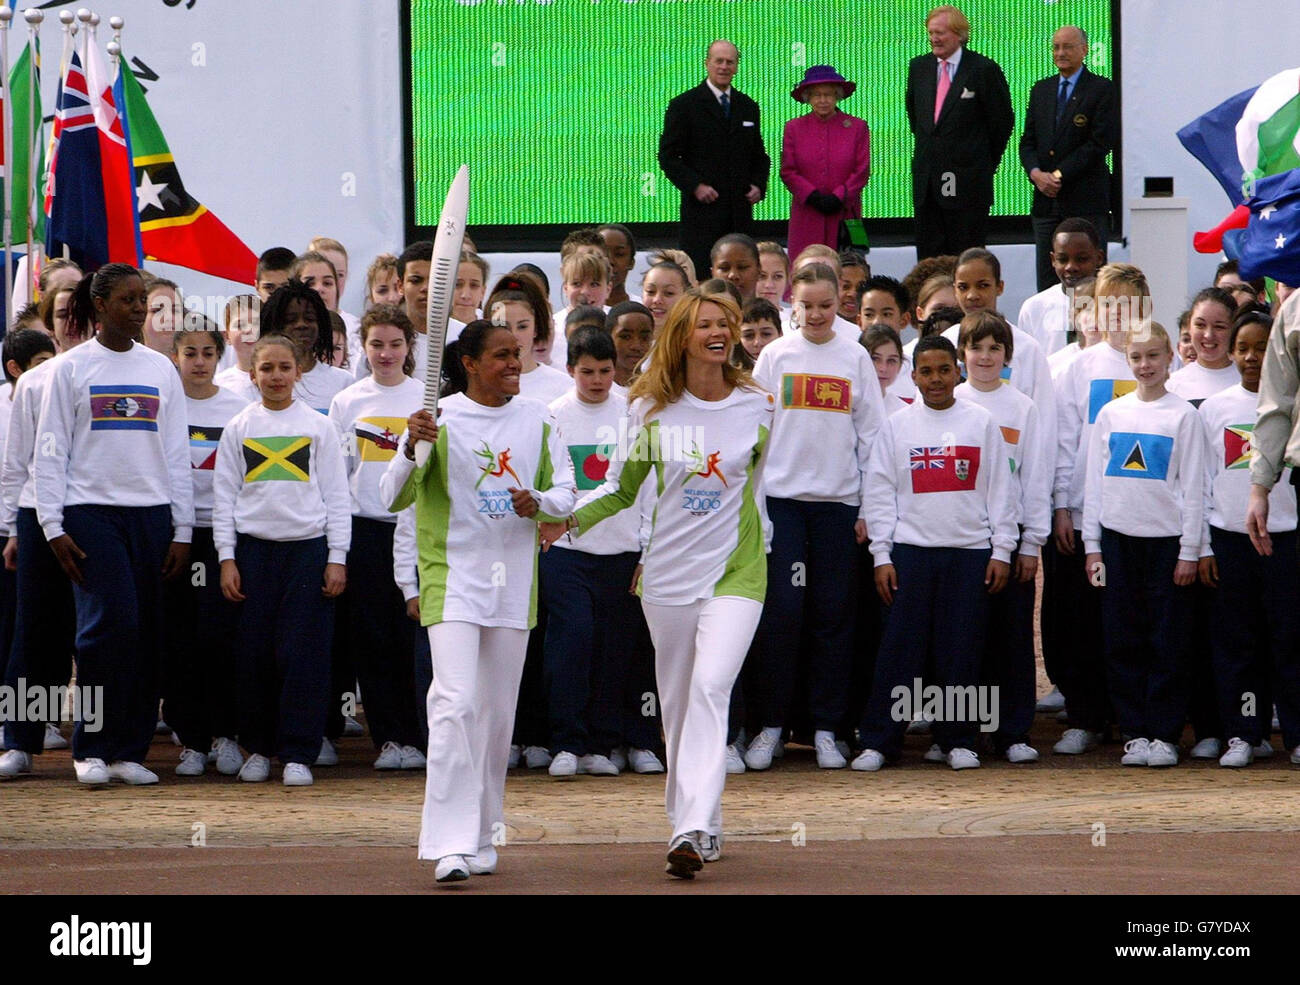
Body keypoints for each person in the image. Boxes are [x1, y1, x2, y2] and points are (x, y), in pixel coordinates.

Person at [540, 286, 774, 879]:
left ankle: (690, 827)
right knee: (677, 703)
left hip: (736, 572)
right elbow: (620, 489)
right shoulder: (649, 410)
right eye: (706, 324)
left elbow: (759, 489)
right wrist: (565, 519)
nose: (719, 332)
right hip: (667, 575)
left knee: (711, 687)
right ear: (683, 337)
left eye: (727, 322)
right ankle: (698, 819)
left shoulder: (760, 406)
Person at [381, 319, 576, 883]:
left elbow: (566, 492)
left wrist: (536, 501)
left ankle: (483, 833)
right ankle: (447, 843)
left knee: (494, 717)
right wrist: (409, 447)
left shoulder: (540, 418)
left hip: (513, 581)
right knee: (454, 701)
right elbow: (389, 496)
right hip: (453, 577)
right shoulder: (437, 420)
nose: (514, 363)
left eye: (517, 353)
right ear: (469, 362)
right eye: (501, 356)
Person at [34, 264, 194, 786]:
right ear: (100, 306)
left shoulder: (160, 369)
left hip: (151, 516)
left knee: (145, 632)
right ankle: (92, 748)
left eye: (142, 300)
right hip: (91, 513)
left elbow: (175, 453)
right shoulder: (72, 368)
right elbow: (51, 450)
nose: (139, 308)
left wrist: (183, 529)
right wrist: (52, 524)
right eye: (127, 300)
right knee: (109, 626)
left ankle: (130, 750)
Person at [852, 335, 1016, 772]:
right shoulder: (897, 426)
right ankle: (879, 741)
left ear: (958, 370)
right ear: (914, 375)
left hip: (969, 554)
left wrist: (1002, 548)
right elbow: (880, 493)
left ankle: (957, 740)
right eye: (926, 371)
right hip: (910, 554)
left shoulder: (981, 423)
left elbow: (1002, 489)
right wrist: (882, 556)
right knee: (898, 651)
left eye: (944, 369)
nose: (936, 379)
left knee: (960, 651)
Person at [745, 262, 882, 771]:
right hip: (783, 507)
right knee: (781, 619)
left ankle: (827, 729)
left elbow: (872, 437)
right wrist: (759, 511)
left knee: (833, 619)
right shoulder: (776, 356)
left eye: (827, 305)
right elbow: (753, 438)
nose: (818, 314)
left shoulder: (855, 356)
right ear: (791, 304)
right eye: (808, 306)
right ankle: (771, 727)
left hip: (837, 509)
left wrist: (868, 507)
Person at [214, 334, 351, 787]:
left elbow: (336, 496)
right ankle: (257, 748)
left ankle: (297, 752)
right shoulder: (239, 427)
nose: (275, 376)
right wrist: (227, 558)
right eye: (266, 368)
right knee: (253, 655)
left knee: (303, 654)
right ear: (253, 374)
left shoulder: (318, 426)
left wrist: (336, 557)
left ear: (298, 372)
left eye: (284, 368)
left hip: (307, 553)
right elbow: (224, 498)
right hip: (254, 554)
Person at [542, 326, 663, 777]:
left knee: (617, 650)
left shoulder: (634, 412)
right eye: (587, 372)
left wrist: (646, 551)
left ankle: (603, 745)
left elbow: (648, 488)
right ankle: (566, 744)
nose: (596, 380)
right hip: (569, 550)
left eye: (605, 371)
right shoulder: (551, 415)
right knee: (572, 641)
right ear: (569, 369)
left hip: (623, 551)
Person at [1082, 321, 1203, 768]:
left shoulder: (1183, 416)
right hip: (1117, 542)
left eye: (1153, 355)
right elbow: (1094, 482)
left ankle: (1165, 733)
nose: (1145, 364)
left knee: (1168, 641)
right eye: (1137, 357)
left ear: (1170, 356)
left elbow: (1194, 488)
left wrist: (1190, 549)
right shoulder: (1112, 414)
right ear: (1127, 361)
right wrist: (1092, 545)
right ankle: (1135, 731)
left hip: (1167, 545)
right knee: (1123, 638)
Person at [1049, 262, 1149, 755]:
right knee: (1079, 621)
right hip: (1083, 518)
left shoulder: (1151, 361)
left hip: (1136, 516)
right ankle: (1085, 716)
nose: (1117, 315)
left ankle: (1134, 716)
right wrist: (1064, 508)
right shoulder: (1075, 368)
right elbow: (1066, 442)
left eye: (1127, 305)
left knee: (1128, 621)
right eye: (1108, 305)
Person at [329, 305, 427, 772]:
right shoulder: (348, 402)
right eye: (376, 344)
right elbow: (337, 475)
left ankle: (420, 734)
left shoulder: (427, 399)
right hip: (364, 531)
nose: (385, 354)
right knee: (373, 639)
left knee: (415, 636)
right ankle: (389, 738)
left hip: (415, 532)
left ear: (409, 347)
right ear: (362, 347)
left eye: (395, 344)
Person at [1199, 310, 1298, 766]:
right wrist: (1203, 544)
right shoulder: (1215, 409)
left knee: (1290, 640)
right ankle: (1245, 731)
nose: (1252, 357)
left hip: (1287, 539)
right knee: (1239, 642)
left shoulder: (1291, 406)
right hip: (1231, 539)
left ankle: (1295, 735)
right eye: (1243, 348)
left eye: (1261, 347)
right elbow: (1200, 481)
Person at [955, 311, 1050, 762]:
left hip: (1011, 545)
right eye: (977, 348)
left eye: (995, 348)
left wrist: (1031, 542)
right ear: (962, 355)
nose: (986, 357)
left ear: (1008, 356)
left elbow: (1034, 478)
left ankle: (1012, 731)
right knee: (966, 640)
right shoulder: (947, 402)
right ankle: (961, 734)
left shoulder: (1022, 408)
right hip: (963, 542)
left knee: (1011, 641)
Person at [164, 323, 250, 778]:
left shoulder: (239, 407)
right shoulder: (165, 406)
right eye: (190, 353)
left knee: (223, 638)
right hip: (179, 537)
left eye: (207, 353)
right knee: (183, 640)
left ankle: (227, 735)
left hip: (225, 538)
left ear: (220, 357)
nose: (199, 361)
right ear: (175, 356)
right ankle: (193, 740)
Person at [906, 5, 1013, 259]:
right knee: (929, 264)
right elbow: (917, 119)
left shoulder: (983, 69)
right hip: (928, 184)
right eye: (931, 32)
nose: (934, 38)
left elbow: (1001, 123)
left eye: (941, 32)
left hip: (966, 187)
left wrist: (980, 164)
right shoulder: (918, 68)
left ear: (960, 34)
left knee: (965, 259)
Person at [658, 39, 770, 278]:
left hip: (739, 214)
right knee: (701, 279)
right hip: (702, 216)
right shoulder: (684, 105)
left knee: (739, 279)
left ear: (737, 66)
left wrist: (759, 185)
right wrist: (695, 185)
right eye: (718, 61)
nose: (724, 66)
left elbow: (759, 155)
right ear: (707, 63)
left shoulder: (748, 106)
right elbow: (668, 157)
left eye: (730, 62)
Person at [1018, 26, 1117, 291]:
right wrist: (1036, 174)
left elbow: (1099, 143)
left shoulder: (1101, 89)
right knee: (1048, 281)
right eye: (1056, 47)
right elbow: (1027, 142)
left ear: (1084, 50)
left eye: (1068, 47)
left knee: (1088, 283)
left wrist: (1058, 175)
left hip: (1084, 200)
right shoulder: (1041, 90)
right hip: (1045, 203)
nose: (1060, 53)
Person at [780, 65, 871, 263]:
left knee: (848, 269)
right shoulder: (793, 128)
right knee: (805, 267)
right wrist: (812, 196)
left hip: (847, 213)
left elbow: (862, 170)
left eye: (829, 94)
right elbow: (788, 171)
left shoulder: (857, 126)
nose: (823, 100)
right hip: (807, 214)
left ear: (837, 96)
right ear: (808, 97)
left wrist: (839, 196)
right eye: (817, 95)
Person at [1017, 218, 1106, 357]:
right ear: (1053, 260)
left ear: (1099, 258)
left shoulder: (1116, 305)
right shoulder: (1033, 308)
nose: (1071, 267)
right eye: (1063, 259)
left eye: (1081, 259)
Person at [599, 224, 638, 306]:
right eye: (603, 254)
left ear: (631, 263)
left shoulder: (646, 309)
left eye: (619, 254)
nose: (610, 261)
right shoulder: (573, 315)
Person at [740, 297, 782, 364]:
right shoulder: (725, 372)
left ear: (780, 334)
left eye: (766, 334)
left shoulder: (795, 369)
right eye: (748, 335)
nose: (758, 343)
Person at [756, 242, 790, 308]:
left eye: (777, 276)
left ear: (787, 279)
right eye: (761, 276)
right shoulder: (736, 317)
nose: (769, 285)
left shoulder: (797, 317)